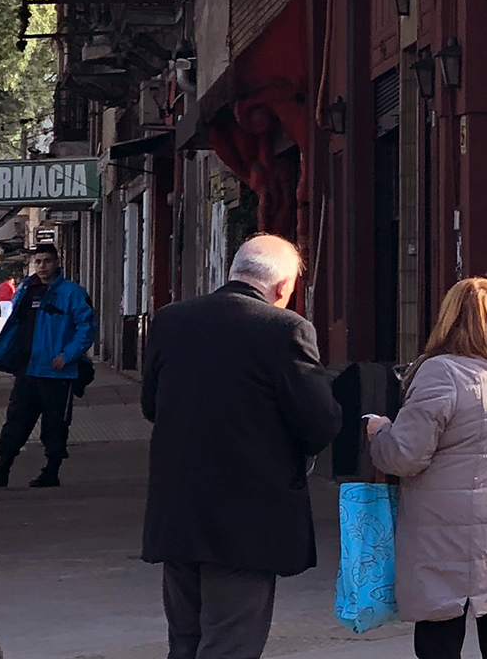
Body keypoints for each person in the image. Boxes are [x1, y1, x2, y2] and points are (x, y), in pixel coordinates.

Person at [140, 234, 343, 659]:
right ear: (283, 287)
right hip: (246, 517)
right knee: (231, 641)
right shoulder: (284, 329)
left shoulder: (171, 320)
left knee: (185, 640)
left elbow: (151, 405)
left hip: (176, 507)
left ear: (232, 272)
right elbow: (320, 422)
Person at [366, 277, 487, 659]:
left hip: (445, 534)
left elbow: (404, 455)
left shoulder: (443, 373)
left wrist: (380, 431)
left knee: (439, 641)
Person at [0, 245, 95, 488]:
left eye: (47, 261)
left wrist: (68, 355)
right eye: (38, 261)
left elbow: (86, 326)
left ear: (57, 262)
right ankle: (2, 467)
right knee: (16, 420)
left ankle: (51, 470)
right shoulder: (27, 291)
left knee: (55, 423)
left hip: (57, 371)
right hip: (28, 369)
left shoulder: (72, 294)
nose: (42, 266)